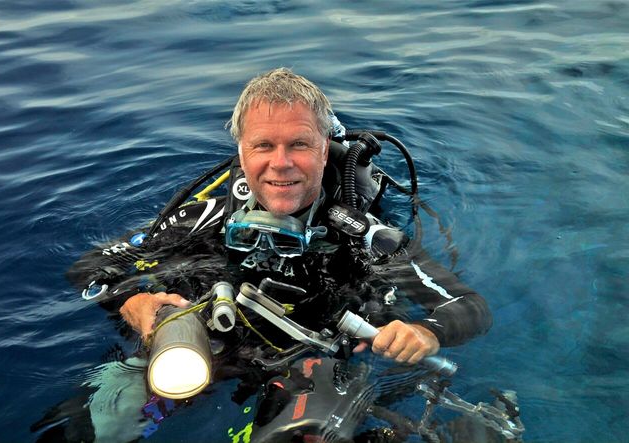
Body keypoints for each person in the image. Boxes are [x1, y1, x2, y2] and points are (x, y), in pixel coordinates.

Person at [101, 67, 492, 366]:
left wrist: (424, 332)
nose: (281, 163)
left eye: (299, 144)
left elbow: (468, 306)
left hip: (320, 365)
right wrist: (132, 302)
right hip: (208, 355)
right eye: (263, 145)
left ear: (324, 150)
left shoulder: (368, 239)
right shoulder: (204, 218)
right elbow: (94, 268)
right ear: (242, 154)